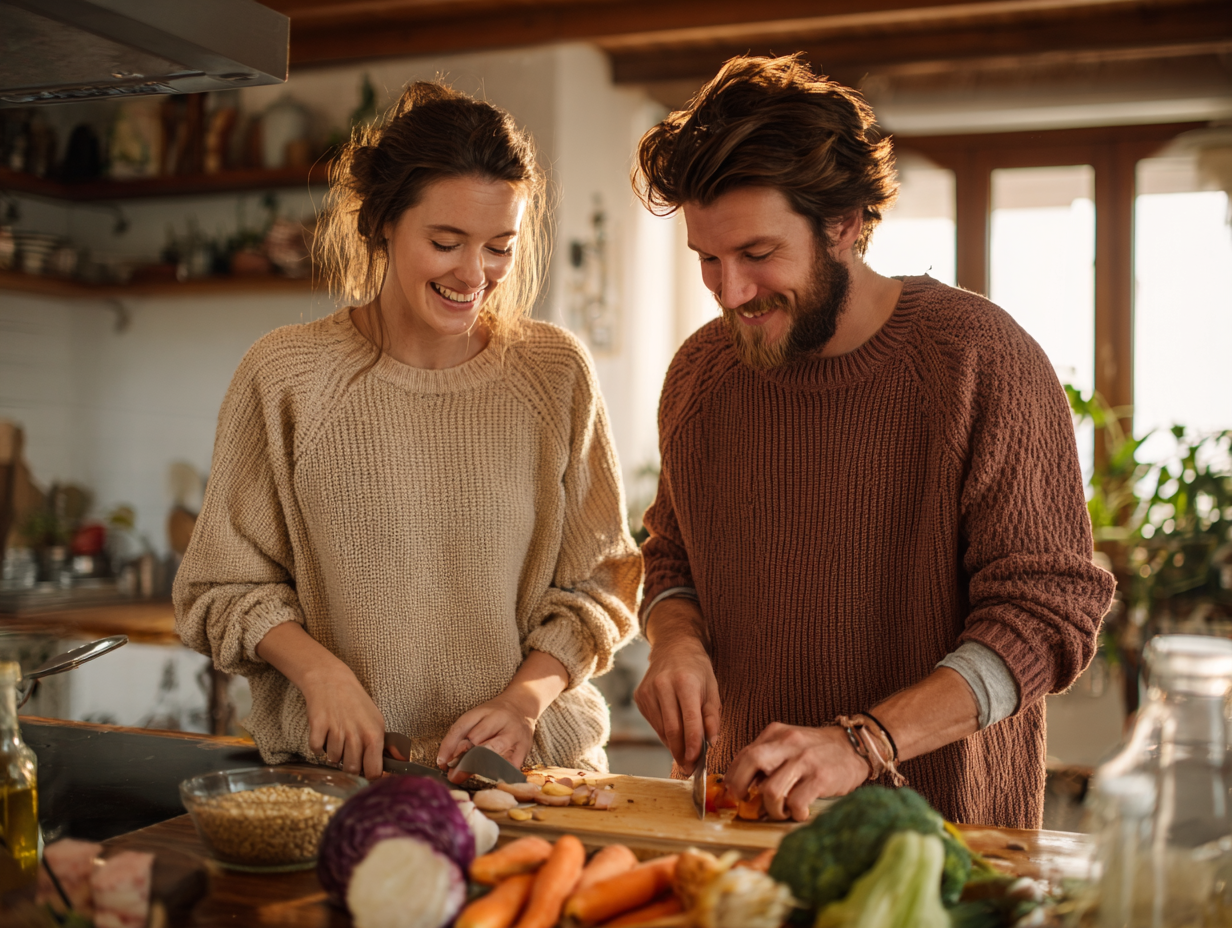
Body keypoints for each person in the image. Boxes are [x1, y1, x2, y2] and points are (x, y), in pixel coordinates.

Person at [631, 55, 1115, 828]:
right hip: (742, 836)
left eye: (757, 255)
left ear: (845, 225)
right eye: (708, 260)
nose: (730, 293)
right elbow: (671, 561)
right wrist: (676, 641)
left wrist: (866, 741)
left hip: (946, 848)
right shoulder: (699, 376)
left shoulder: (980, 361)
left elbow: (1045, 616)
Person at [174, 81, 640, 781]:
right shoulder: (285, 375)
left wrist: (523, 701)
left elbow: (598, 587)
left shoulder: (555, 372)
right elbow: (220, 589)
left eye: (499, 247)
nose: (475, 274)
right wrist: (319, 674)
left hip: (532, 779)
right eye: (447, 242)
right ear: (381, 224)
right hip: (339, 778)